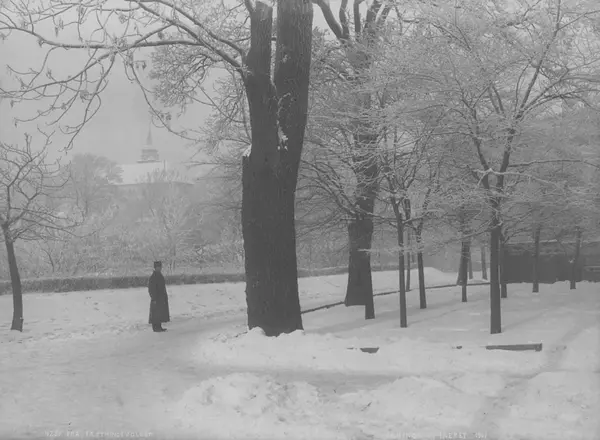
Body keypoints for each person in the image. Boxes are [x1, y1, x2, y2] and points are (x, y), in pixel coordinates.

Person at [148, 261, 170, 332]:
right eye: (158, 267)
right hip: (156, 298)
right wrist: (154, 298)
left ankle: (159, 326)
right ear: (155, 268)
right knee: (156, 313)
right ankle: (155, 327)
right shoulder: (153, 277)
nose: (160, 268)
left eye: (160, 267)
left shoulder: (159, 275)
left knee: (159, 313)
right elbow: (151, 289)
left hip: (161, 298)